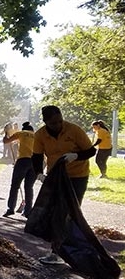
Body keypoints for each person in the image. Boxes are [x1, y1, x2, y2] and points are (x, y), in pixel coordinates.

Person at [32, 105, 96, 264]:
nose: (58, 125)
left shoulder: (74, 130)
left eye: (60, 121)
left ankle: (72, 250)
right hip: (57, 177)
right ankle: (57, 251)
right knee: (56, 212)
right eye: (53, 123)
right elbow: (37, 156)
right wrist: (39, 173)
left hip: (77, 176)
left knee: (71, 212)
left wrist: (76, 155)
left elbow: (90, 151)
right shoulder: (40, 135)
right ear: (46, 122)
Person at [2, 122, 36, 218]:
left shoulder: (21, 133)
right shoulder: (36, 136)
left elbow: (6, 141)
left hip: (23, 161)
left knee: (15, 186)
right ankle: (28, 211)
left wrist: (6, 133)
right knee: (29, 187)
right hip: (34, 163)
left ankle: (11, 208)